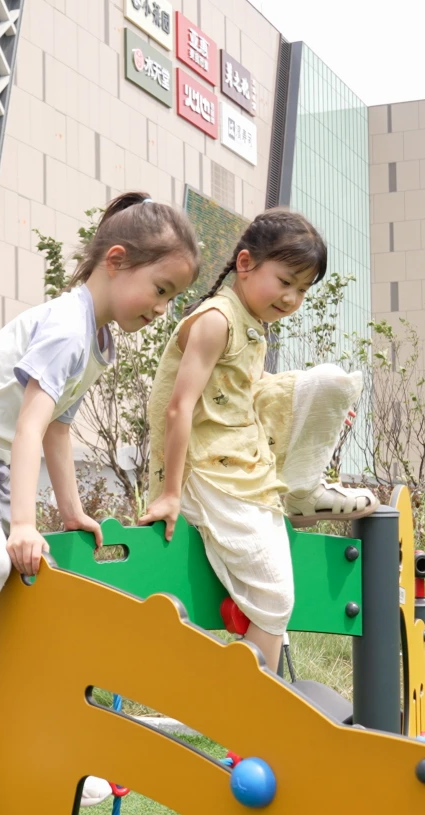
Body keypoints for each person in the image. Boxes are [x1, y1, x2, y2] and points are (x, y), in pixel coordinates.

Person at [0, 192, 202, 806]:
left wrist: (70, 510)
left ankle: (45, 737)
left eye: (170, 299)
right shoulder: (65, 327)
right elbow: (30, 424)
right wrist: (24, 524)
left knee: (36, 593)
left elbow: (58, 429)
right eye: (160, 290)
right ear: (115, 261)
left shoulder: (97, 341)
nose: (162, 310)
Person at [139, 208, 376, 669]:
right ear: (245, 264)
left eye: (303, 289)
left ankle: (302, 492)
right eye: (285, 281)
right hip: (209, 468)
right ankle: (245, 702)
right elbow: (176, 407)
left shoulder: (250, 323)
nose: (291, 298)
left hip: (241, 458)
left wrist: (315, 412)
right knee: (273, 598)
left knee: (329, 382)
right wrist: (169, 494)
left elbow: (243, 392)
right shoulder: (215, 321)